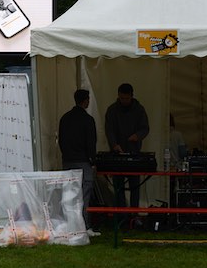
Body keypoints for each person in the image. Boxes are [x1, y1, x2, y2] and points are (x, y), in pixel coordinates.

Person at [58, 89, 100, 237]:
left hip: (68, 161)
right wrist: (93, 161)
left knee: (69, 196)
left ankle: (70, 225)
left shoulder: (64, 118)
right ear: (86, 101)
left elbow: (61, 141)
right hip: (83, 162)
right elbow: (91, 143)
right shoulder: (88, 120)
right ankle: (85, 226)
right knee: (84, 196)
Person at [104, 83, 150, 208]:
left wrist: (137, 136)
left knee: (135, 186)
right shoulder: (112, 110)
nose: (124, 101)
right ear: (118, 96)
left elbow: (145, 128)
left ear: (132, 96)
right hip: (117, 154)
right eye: (121, 98)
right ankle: (120, 214)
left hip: (134, 153)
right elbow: (109, 130)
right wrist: (114, 145)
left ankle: (133, 213)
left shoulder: (139, 110)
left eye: (126, 98)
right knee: (118, 187)